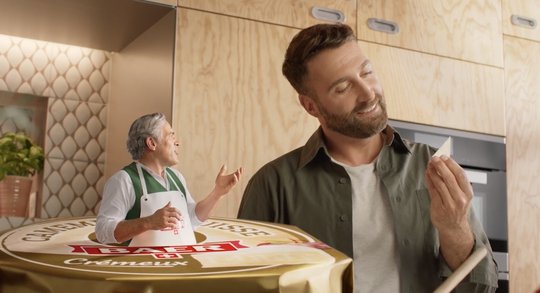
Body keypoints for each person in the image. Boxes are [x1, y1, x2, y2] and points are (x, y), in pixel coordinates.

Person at [237, 23, 498, 292]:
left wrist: (454, 228)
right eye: (342, 88)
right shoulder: (272, 185)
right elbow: (245, 286)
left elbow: (483, 286)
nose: (368, 93)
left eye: (367, 72)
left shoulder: (431, 165)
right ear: (310, 105)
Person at [96, 112, 242, 245]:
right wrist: (149, 222)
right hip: (139, 269)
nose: (177, 142)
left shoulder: (176, 177)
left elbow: (191, 220)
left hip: (175, 266)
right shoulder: (124, 180)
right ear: (152, 143)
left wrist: (217, 193)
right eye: (171, 136)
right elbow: (103, 232)